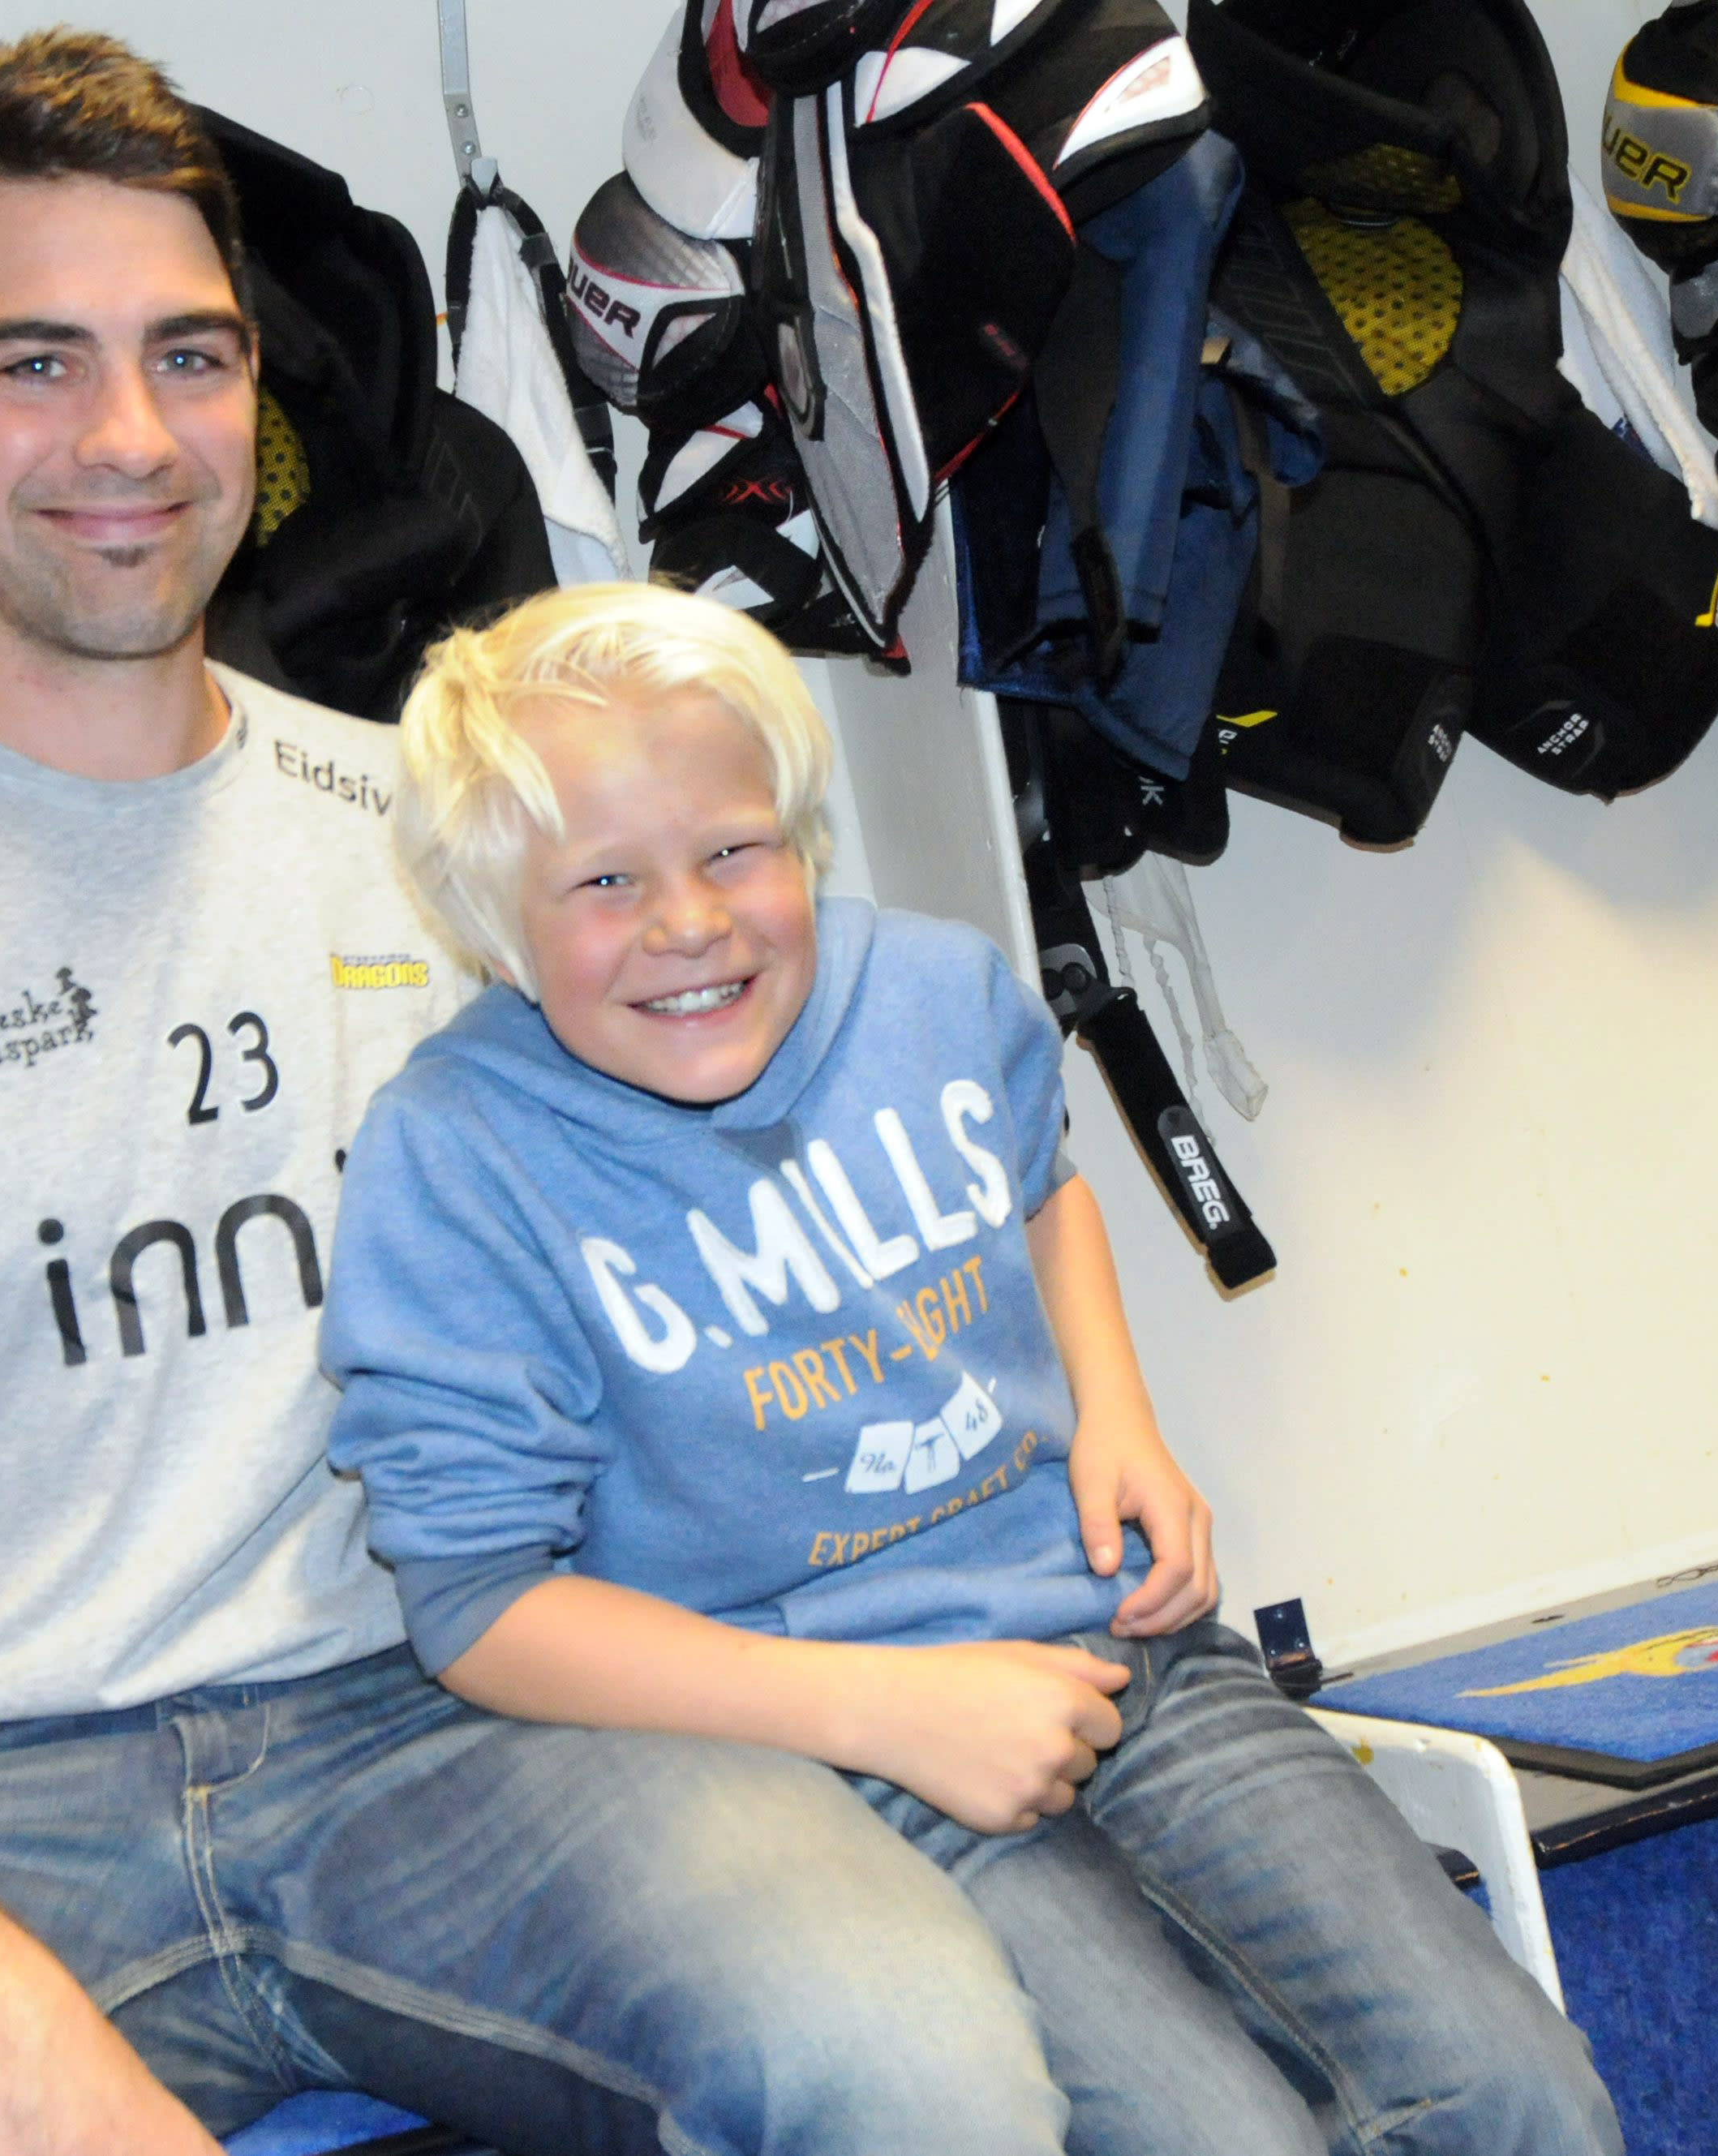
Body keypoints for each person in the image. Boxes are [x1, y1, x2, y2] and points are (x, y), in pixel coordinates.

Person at [0, 35, 1094, 2156]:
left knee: (911, 2064)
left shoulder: (459, 854)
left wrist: (1013, 1515)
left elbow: (840, 1184)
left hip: (441, 1733)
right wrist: (19, 2057)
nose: (127, 436)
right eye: (35, 364)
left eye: (186, 357)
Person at [320, 582, 1628, 2156]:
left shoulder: (935, 989)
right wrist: (886, 1711)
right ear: (492, 921)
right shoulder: (454, 1156)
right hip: (824, 1759)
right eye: (604, 880)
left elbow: (1043, 1189)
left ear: (800, 837)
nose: (689, 921)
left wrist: (1119, 1419)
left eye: (733, 849)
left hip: (1130, 1658)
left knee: (1520, 2100)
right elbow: (477, 1609)